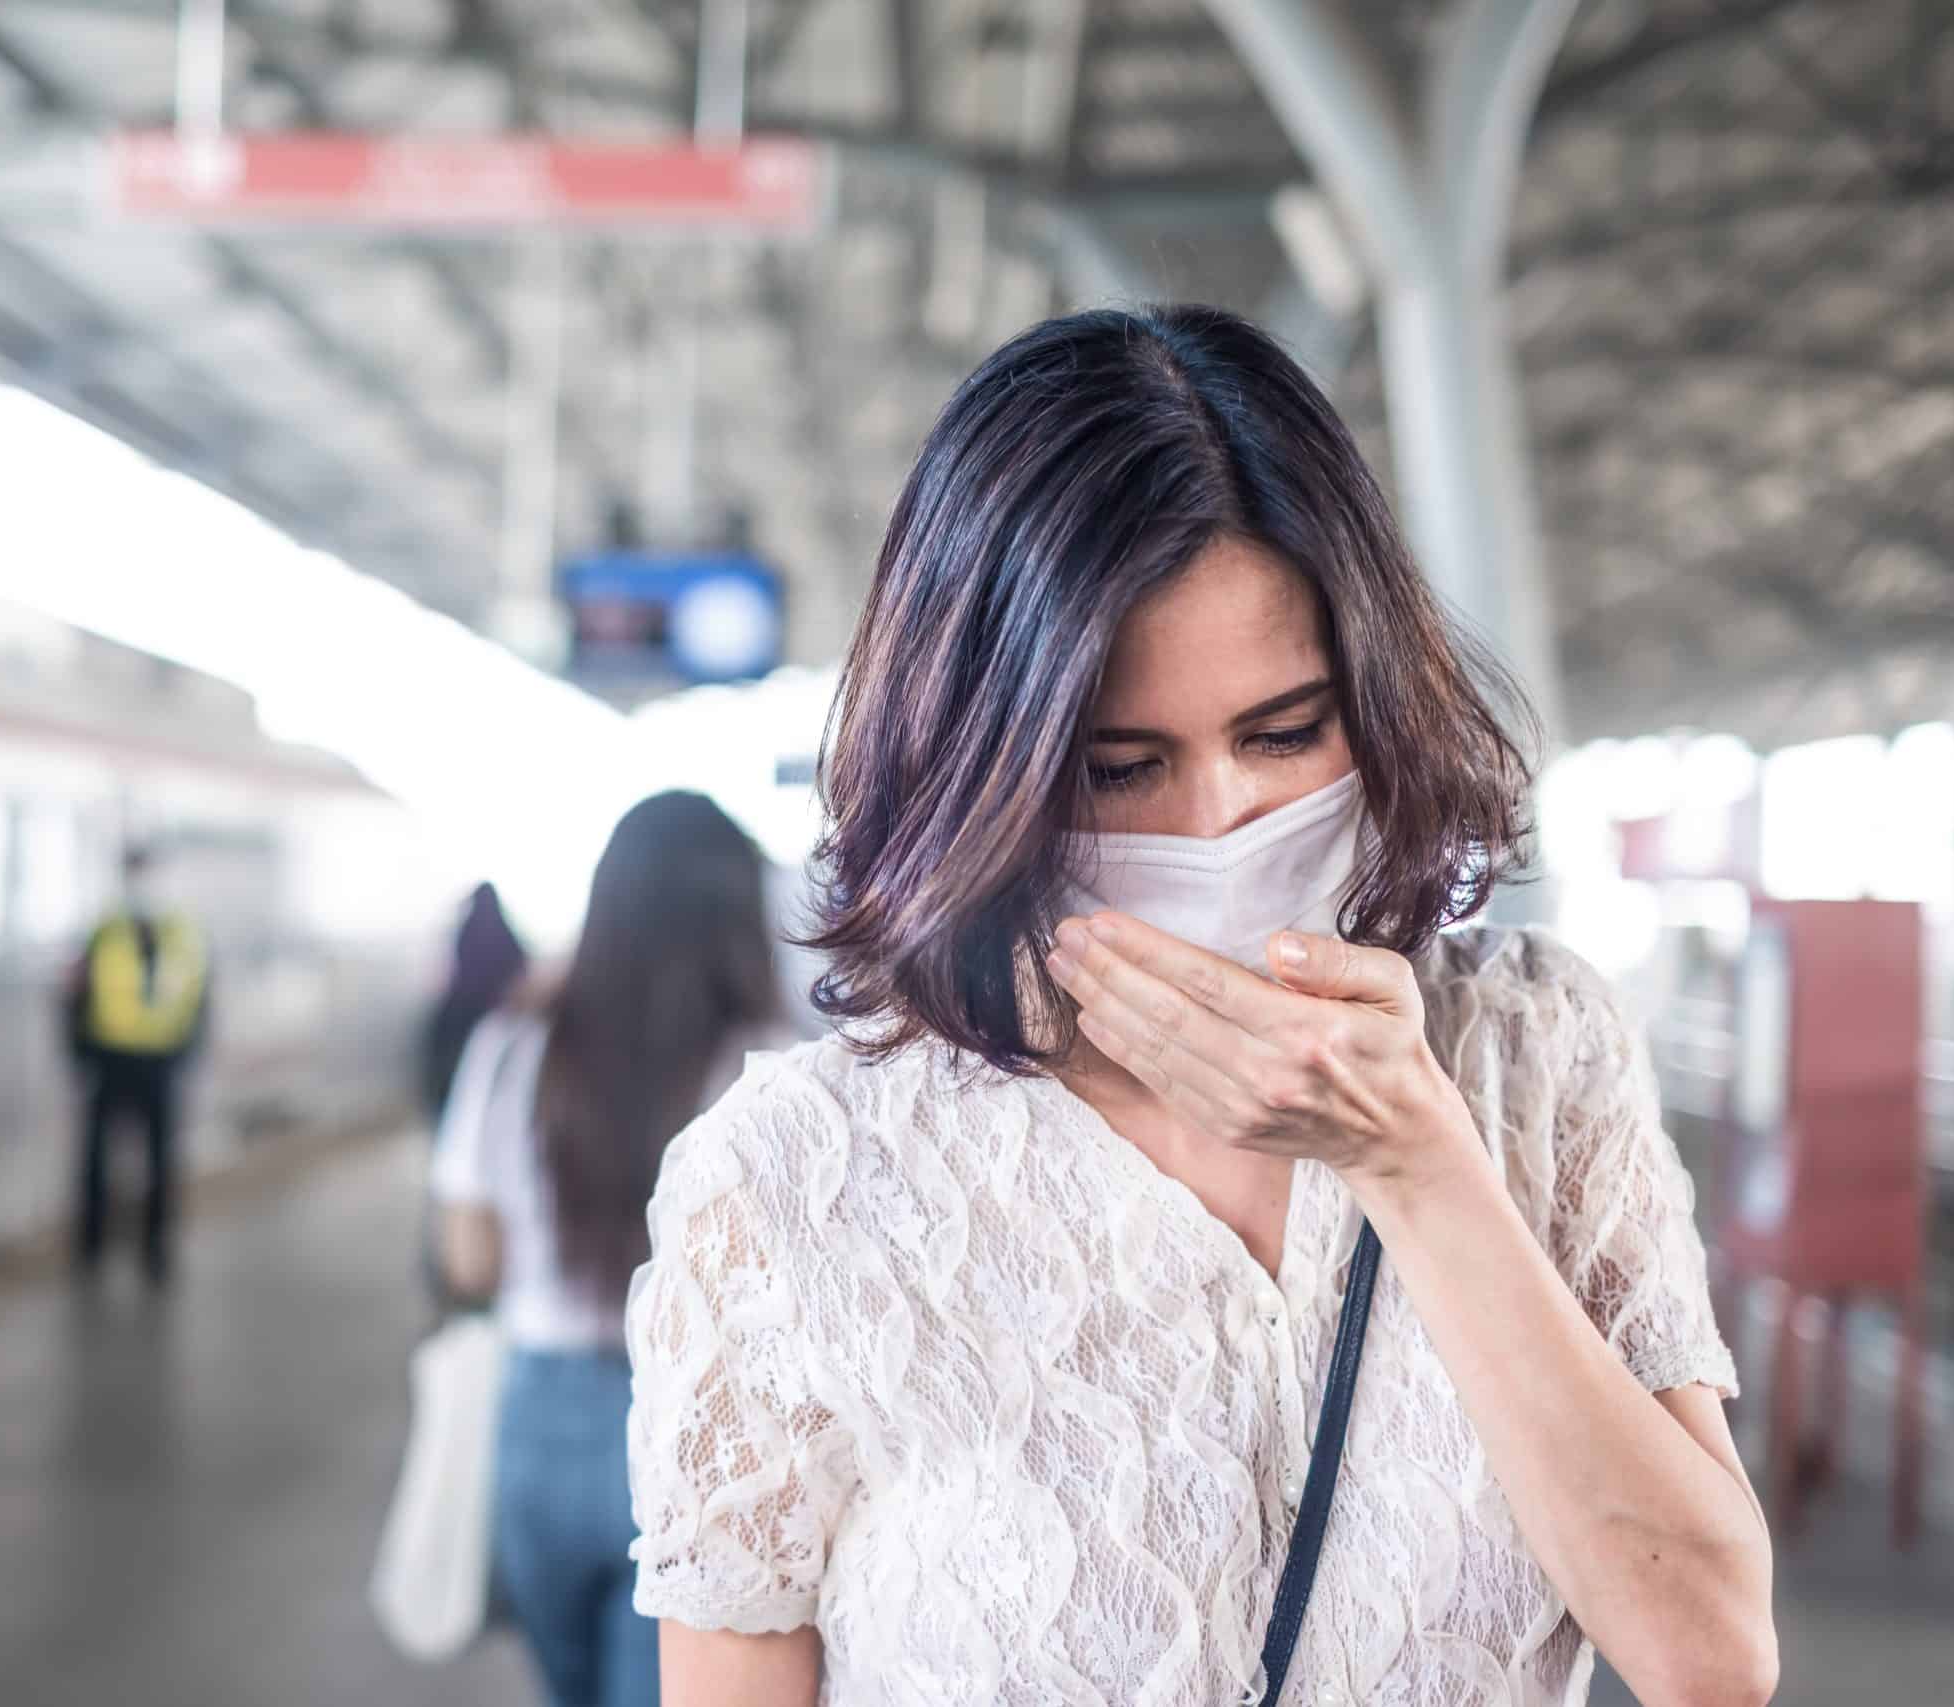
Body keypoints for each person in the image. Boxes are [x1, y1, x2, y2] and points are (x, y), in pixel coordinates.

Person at [626, 307, 1777, 1707]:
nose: (1223, 821)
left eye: (1286, 732)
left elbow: (1711, 1652)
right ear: (984, 776)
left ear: (1376, 706)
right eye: (1122, 768)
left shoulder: (1537, 1056)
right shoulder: (798, 1182)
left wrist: (1416, 1159)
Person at [430, 792, 783, 1707]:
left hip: (538, 1420)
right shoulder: (773, 1071)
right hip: (704, 1434)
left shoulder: (511, 1049)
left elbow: (469, 1260)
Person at [65, 844, 209, 1287]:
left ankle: (155, 1250)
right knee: (96, 1159)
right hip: (109, 1059)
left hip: (161, 1061)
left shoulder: (182, 933)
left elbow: (199, 997)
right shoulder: (102, 931)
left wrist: (187, 1052)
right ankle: (90, 1249)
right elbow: (74, 994)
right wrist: (80, 1052)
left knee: (161, 1161)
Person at [420, 881, 530, 1124]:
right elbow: (522, 974)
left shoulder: (463, 933)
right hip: (491, 1018)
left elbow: (447, 975)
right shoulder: (507, 934)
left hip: (462, 1021)